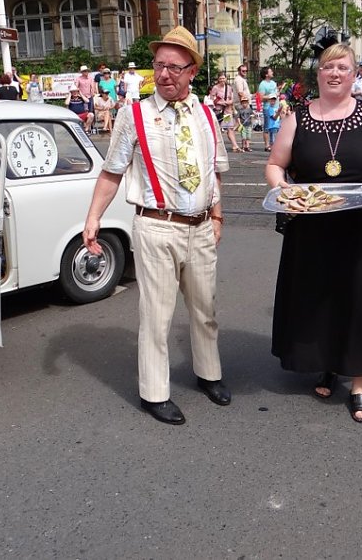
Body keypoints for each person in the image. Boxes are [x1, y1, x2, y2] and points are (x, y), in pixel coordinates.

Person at [84, 26, 230, 425]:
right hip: (156, 227)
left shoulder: (205, 113)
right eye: (158, 66)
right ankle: (154, 393)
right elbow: (111, 173)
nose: (164, 75)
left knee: (205, 309)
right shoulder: (134, 115)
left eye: (174, 67)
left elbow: (214, 171)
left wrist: (217, 216)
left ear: (192, 71)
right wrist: (93, 217)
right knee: (156, 315)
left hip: (200, 227)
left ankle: (208, 374)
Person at [265, 43, 362, 424]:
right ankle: (327, 363)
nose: (334, 73)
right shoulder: (297, 118)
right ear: (318, 73)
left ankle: (359, 384)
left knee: (361, 299)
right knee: (319, 299)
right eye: (328, 67)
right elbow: (275, 165)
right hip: (312, 226)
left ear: (354, 74)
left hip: (361, 227)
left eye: (342, 68)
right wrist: (283, 189)